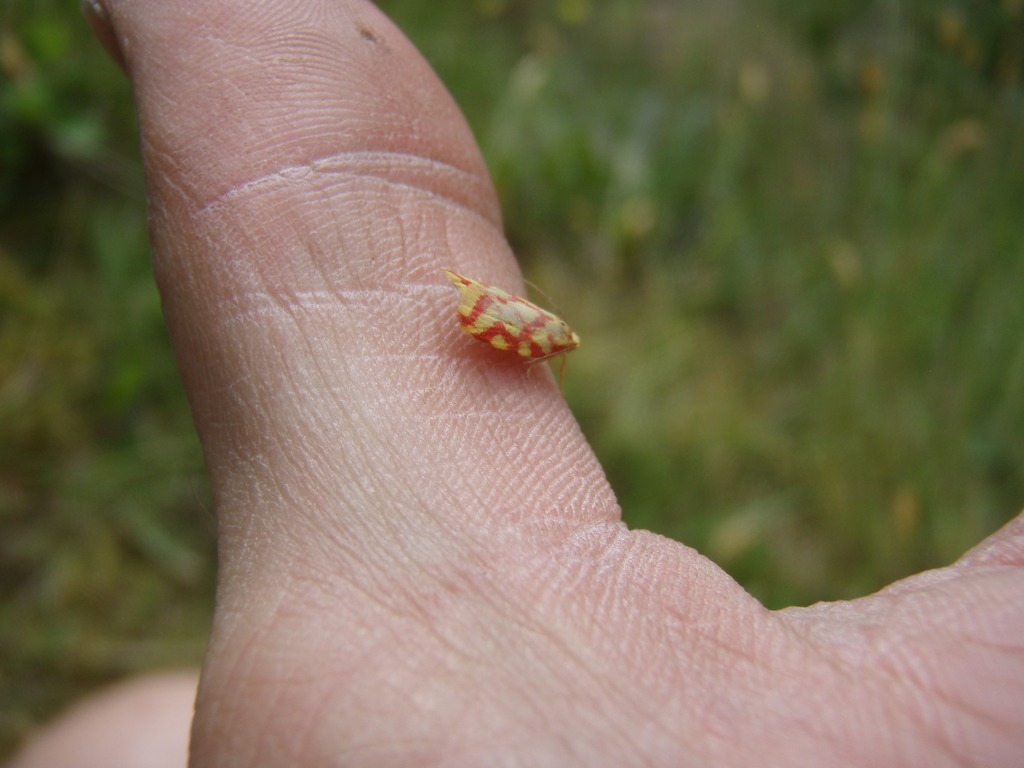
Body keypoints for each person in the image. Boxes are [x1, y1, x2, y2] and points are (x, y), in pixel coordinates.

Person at [17, 0, 1024, 764]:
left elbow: (506, 333)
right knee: (135, 727)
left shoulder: (529, 340)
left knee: (126, 732)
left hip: (501, 330)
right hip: (495, 324)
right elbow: (495, 325)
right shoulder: (518, 330)